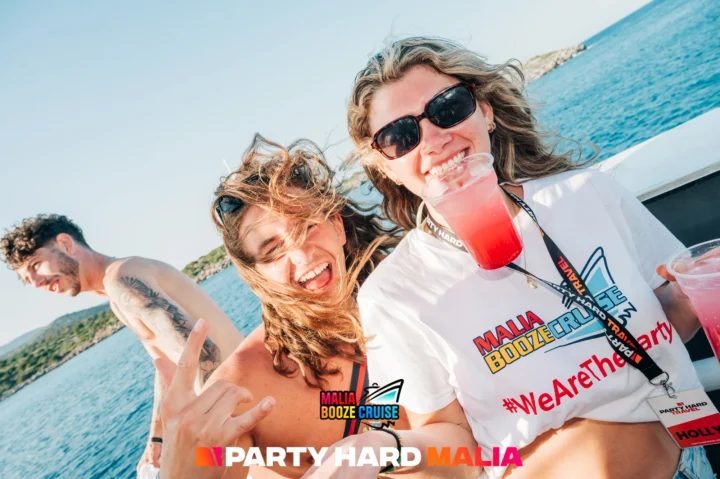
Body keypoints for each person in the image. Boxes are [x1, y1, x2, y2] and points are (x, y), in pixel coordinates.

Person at [327, 36, 714, 479]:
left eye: (448, 107)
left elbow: (664, 324)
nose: (433, 140)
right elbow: (454, 446)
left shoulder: (588, 195)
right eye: (400, 136)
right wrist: (383, 445)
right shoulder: (394, 293)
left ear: (485, 110)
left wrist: (695, 292)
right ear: (385, 165)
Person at [156, 135, 443, 479]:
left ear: (337, 225)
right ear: (254, 277)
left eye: (306, 226)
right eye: (273, 250)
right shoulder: (246, 389)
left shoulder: (416, 295)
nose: (302, 255)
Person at [0, 214, 245, 476]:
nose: (36, 282)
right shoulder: (117, 292)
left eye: (36, 265)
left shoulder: (122, 280)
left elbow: (206, 354)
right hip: (236, 409)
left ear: (66, 244)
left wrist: (213, 440)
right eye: (28, 280)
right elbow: (167, 368)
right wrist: (156, 438)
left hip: (243, 412)